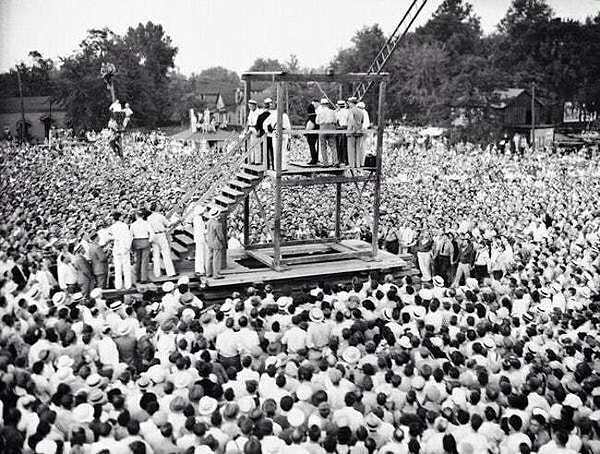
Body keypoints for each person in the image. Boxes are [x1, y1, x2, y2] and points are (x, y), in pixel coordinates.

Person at [147, 202, 176, 279]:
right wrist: (176, 222)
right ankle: (170, 272)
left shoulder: (149, 218)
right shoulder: (160, 216)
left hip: (153, 235)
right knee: (166, 253)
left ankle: (157, 273)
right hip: (161, 235)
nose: (159, 207)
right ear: (156, 208)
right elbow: (168, 224)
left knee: (156, 255)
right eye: (158, 206)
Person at [108, 210, 133, 290]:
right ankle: (127, 285)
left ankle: (118, 286)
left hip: (117, 247)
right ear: (120, 217)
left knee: (117, 268)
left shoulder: (112, 227)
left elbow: (108, 237)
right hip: (123, 247)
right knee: (126, 267)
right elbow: (129, 237)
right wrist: (127, 247)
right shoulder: (124, 226)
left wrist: (114, 238)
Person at [130, 209, 154, 284]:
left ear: (136, 216)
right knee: (145, 260)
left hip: (136, 241)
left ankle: (138, 277)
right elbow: (152, 234)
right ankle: (143, 278)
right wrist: (149, 241)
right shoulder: (146, 223)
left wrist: (131, 245)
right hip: (145, 240)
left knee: (138, 260)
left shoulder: (133, 225)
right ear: (143, 216)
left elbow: (130, 235)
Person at [205, 207, 225, 279]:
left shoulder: (209, 222)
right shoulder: (217, 224)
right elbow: (220, 235)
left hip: (210, 241)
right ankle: (216, 274)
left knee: (210, 257)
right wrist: (223, 241)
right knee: (216, 259)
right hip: (216, 243)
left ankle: (208, 272)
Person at [316, 98, 338, 166]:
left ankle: (326, 163)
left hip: (323, 127)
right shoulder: (332, 111)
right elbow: (335, 120)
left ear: (322, 104)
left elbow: (317, 121)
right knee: (333, 146)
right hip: (331, 127)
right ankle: (335, 161)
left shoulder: (319, 112)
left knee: (323, 146)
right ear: (327, 104)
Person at [346, 97, 364, 168]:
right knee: (358, 148)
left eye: (349, 103)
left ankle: (352, 164)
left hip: (352, 131)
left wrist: (355, 128)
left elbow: (352, 120)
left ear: (351, 103)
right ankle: (358, 164)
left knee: (351, 148)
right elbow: (362, 122)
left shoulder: (351, 111)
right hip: (359, 131)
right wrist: (359, 128)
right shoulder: (361, 111)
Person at [256, 98, 273, 169]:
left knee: (265, 150)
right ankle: (273, 165)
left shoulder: (260, 116)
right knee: (272, 150)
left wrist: (259, 131)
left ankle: (266, 166)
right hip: (271, 134)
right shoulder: (273, 115)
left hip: (264, 134)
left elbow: (257, 126)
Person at [193, 204, 208, 276]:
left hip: (198, 238)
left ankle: (199, 269)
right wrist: (207, 230)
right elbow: (201, 230)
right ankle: (200, 270)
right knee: (200, 255)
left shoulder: (197, 218)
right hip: (200, 238)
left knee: (199, 254)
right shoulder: (198, 219)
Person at [247, 99, 262, 165]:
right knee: (251, 145)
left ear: (255, 105)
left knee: (257, 145)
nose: (250, 108)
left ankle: (257, 161)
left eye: (251, 106)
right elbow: (248, 121)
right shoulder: (251, 112)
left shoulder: (259, 112)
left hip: (256, 129)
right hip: (251, 128)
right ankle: (252, 160)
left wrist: (259, 131)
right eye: (249, 106)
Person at [335, 100, 349, 166]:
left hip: (340, 128)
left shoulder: (338, 112)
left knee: (339, 145)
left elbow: (336, 120)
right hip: (347, 128)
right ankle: (346, 160)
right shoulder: (348, 111)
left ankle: (341, 160)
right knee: (345, 145)